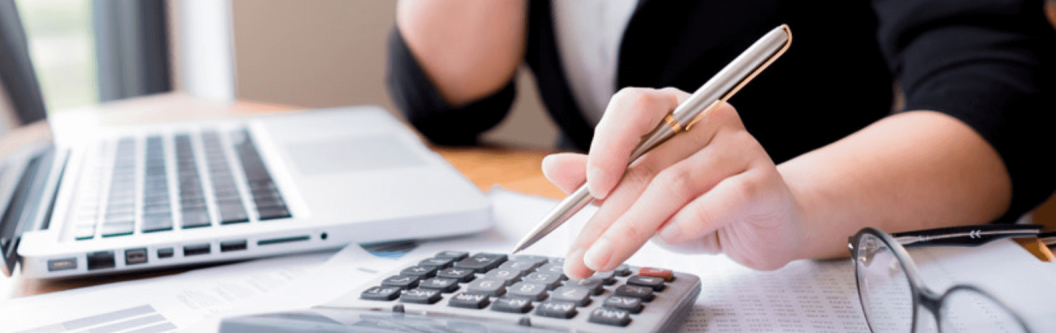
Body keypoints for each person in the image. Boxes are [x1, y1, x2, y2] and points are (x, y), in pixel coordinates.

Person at [386, 0, 1056, 279]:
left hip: (827, 254)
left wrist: (792, 204)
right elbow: (447, 98)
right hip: (596, 238)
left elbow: (1002, 97)